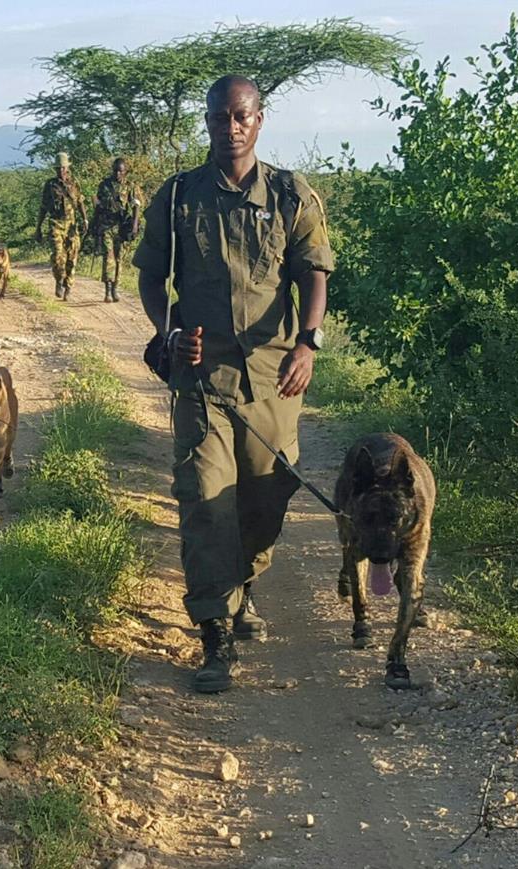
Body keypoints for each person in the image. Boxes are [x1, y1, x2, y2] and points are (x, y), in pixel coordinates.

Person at [133, 75, 334, 693]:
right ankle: (215, 635)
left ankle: (242, 584)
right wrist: (169, 333)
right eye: (220, 118)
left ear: (259, 119)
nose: (230, 127)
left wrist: (309, 342)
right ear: (209, 122)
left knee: (265, 503)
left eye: (241, 116)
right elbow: (150, 278)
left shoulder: (292, 196)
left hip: (275, 379)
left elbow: (314, 276)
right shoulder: (177, 197)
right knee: (203, 499)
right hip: (201, 380)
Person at [35, 152, 88, 300]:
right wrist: (38, 227)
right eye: (58, 168)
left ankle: (68, 286)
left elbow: (80, 202)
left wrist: (85, 220)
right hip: (56, 223)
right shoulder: (50, 185)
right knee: (58, 256)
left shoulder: (74, 184)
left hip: (71, 224)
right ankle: (59, 280)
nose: (61, 171)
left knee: (72, 257)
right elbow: (43, 207)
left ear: (67, 168)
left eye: (63, 168)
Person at [92, 157, 141, 303]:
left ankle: (115, 288)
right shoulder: (104, 185)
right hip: (106, 226)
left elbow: (136, 206)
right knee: (109, 256)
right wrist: (94, 224)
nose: (117, 174)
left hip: (122, 227)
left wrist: (135, 225)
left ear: (125, 172)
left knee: (119, 258)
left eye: (120, 171)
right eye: (115, 171)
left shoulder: (130, 187)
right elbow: (98, 206)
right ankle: (107, 289)